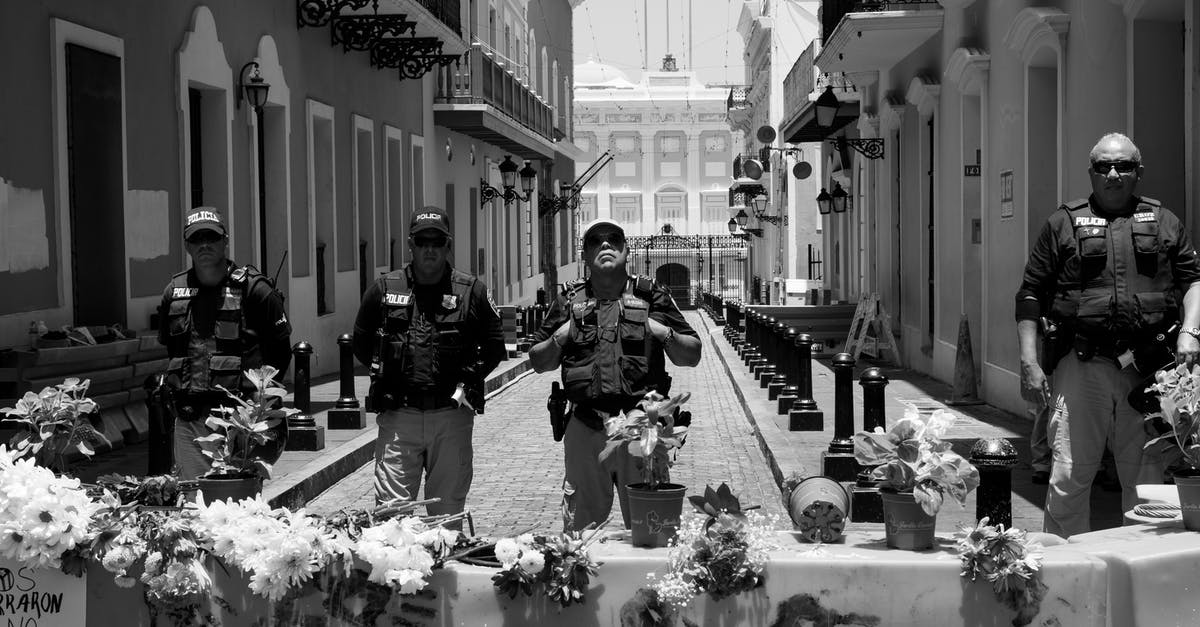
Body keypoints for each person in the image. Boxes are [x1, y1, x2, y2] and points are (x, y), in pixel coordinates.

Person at [1015, 132, 1200, 537]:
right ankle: (1066, 580)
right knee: (1067, 478)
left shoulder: (1164, 221)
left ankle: (1139, 581)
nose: (1113, 173)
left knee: (1148, 484)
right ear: (1091, 172)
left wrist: (1191, 332)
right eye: (1103, 166)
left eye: (1124, 165)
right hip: (1082, 367)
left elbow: (1193, 282)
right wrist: (1029, 363)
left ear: (1139, 172)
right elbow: (1030, 294)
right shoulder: (1063, 222)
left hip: (1150, 373)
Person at [529, 218, 702, 532]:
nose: (605, 245)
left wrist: (660, 331)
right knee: (581, 531)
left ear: (626, 251)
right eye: (595, 241)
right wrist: (561, 336)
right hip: (586, 426)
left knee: (651, 527)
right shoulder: (570, 300)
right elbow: (538, 361)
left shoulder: (652, 295)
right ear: (585, 255)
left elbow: (691, 354)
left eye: (613, 240)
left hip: (641, 426)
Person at [352, 206, 505, 527]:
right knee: (391, 519)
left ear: (448, 245)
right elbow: (361, 342)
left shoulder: (471, 291)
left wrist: (467, 384)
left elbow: (493, 347)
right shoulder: (384, 289)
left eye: (437, 242)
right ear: (411, 244)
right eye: (423, 242)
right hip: (399, 419)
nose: (430, 249)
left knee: (447, 518)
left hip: (450, 418)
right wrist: (387, 372)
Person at [157, 207, 292, 480]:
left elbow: (280, 353)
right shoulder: (174, 292)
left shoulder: (255, 290)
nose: (204, 244)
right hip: (190, 417)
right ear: (186, 245)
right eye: (196, 238)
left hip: (241, 418)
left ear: (225, 240)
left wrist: (262, 406)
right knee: (195, 501)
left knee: (239, 501)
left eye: (212, 237)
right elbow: (172, 349)